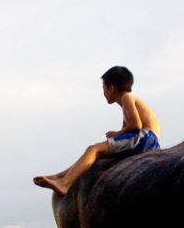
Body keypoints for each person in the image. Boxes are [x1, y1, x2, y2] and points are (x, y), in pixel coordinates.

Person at [34, 66, 161, 196]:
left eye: (103, 88)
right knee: (97, 155)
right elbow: (128, 129)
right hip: (146, 140)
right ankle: (60, 176)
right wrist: (117, 134)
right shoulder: (126, 103)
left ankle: (64, 184)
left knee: (93, 149)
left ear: (111, 88)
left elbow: (136, 125)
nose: (103, 92)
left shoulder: (126, 98)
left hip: (145, 138)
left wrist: (116, 134)